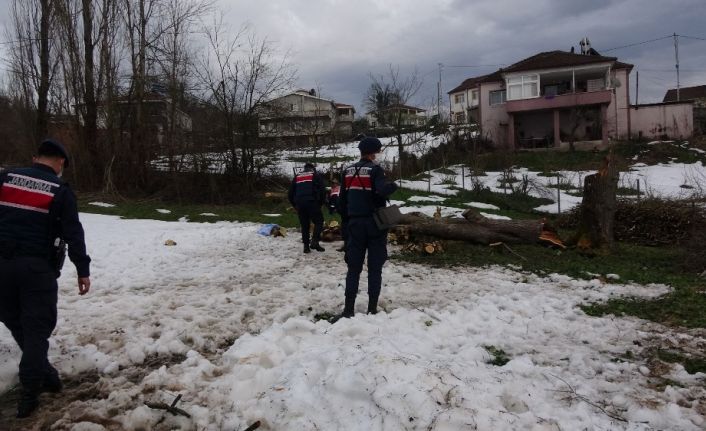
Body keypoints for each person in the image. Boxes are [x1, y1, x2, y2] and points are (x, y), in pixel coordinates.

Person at [0, 139, 91, 418]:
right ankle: (31, 392)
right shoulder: (60, 191)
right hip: (36, 270)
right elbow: (73, 233)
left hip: (1, 266)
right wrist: (82, 269)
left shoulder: (5, 178)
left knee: (17, 322)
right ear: (61, 162)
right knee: (37, 330)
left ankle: (46, 374)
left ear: (35, 157)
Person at [337, 137, 397, 318]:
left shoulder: (347, 171)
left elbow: (341, 203)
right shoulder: (376, 170)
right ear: (372, 153)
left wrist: (347, 224)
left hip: (354, 224)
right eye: (378, 151)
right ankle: (372, 309)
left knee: (353, 268)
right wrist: (393, 185)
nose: (378, 154)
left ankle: (348, 310)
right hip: (375, 224)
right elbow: (381, 190)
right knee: (374, 267)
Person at [288, 162, 327, 253]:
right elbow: (322, 191)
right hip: (312, 202)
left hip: (300, 204)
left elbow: (290, 194)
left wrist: (295, 205)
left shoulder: (297, 177)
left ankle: (306, 247)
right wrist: (320, 203)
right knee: (319, 222)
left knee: (305, 225)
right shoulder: (315, 175)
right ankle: (314, 241)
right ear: (312, 169)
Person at [327, 178, 347, 252]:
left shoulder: (336, 190)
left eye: (334, 183)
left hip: (342, 208)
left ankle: (346, 245)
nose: (332, 184)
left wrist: (333, 208)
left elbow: (334, 201)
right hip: (343, 207)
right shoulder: (334, 190)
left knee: (345, 224)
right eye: (332, 183)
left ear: (337, 183)